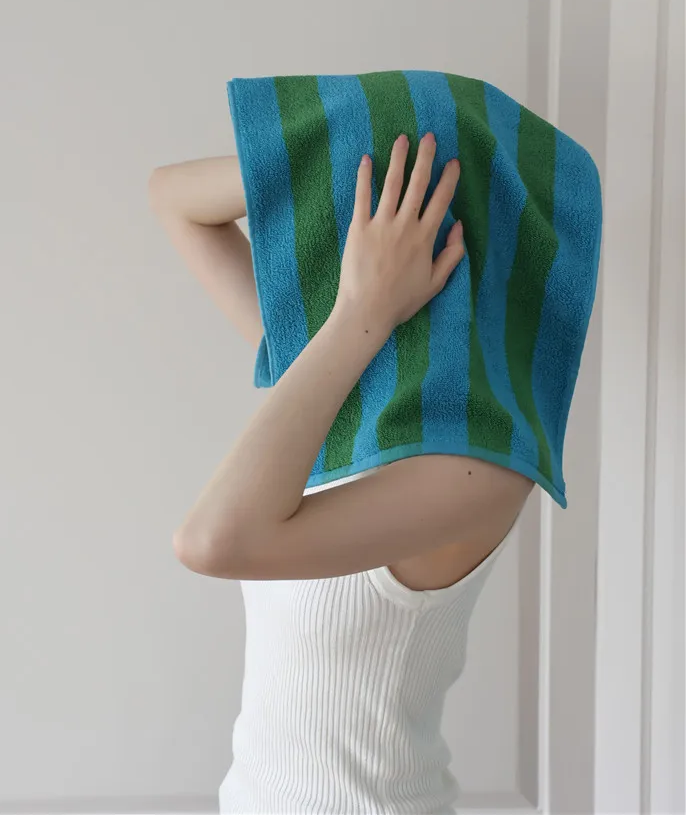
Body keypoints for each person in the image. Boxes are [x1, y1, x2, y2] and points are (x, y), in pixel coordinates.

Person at [149, 132, 534, 815]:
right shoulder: (345, 390)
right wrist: (352, 151)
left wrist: (364, 310)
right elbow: (172, 198)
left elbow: (208, 542)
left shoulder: (483, 470)